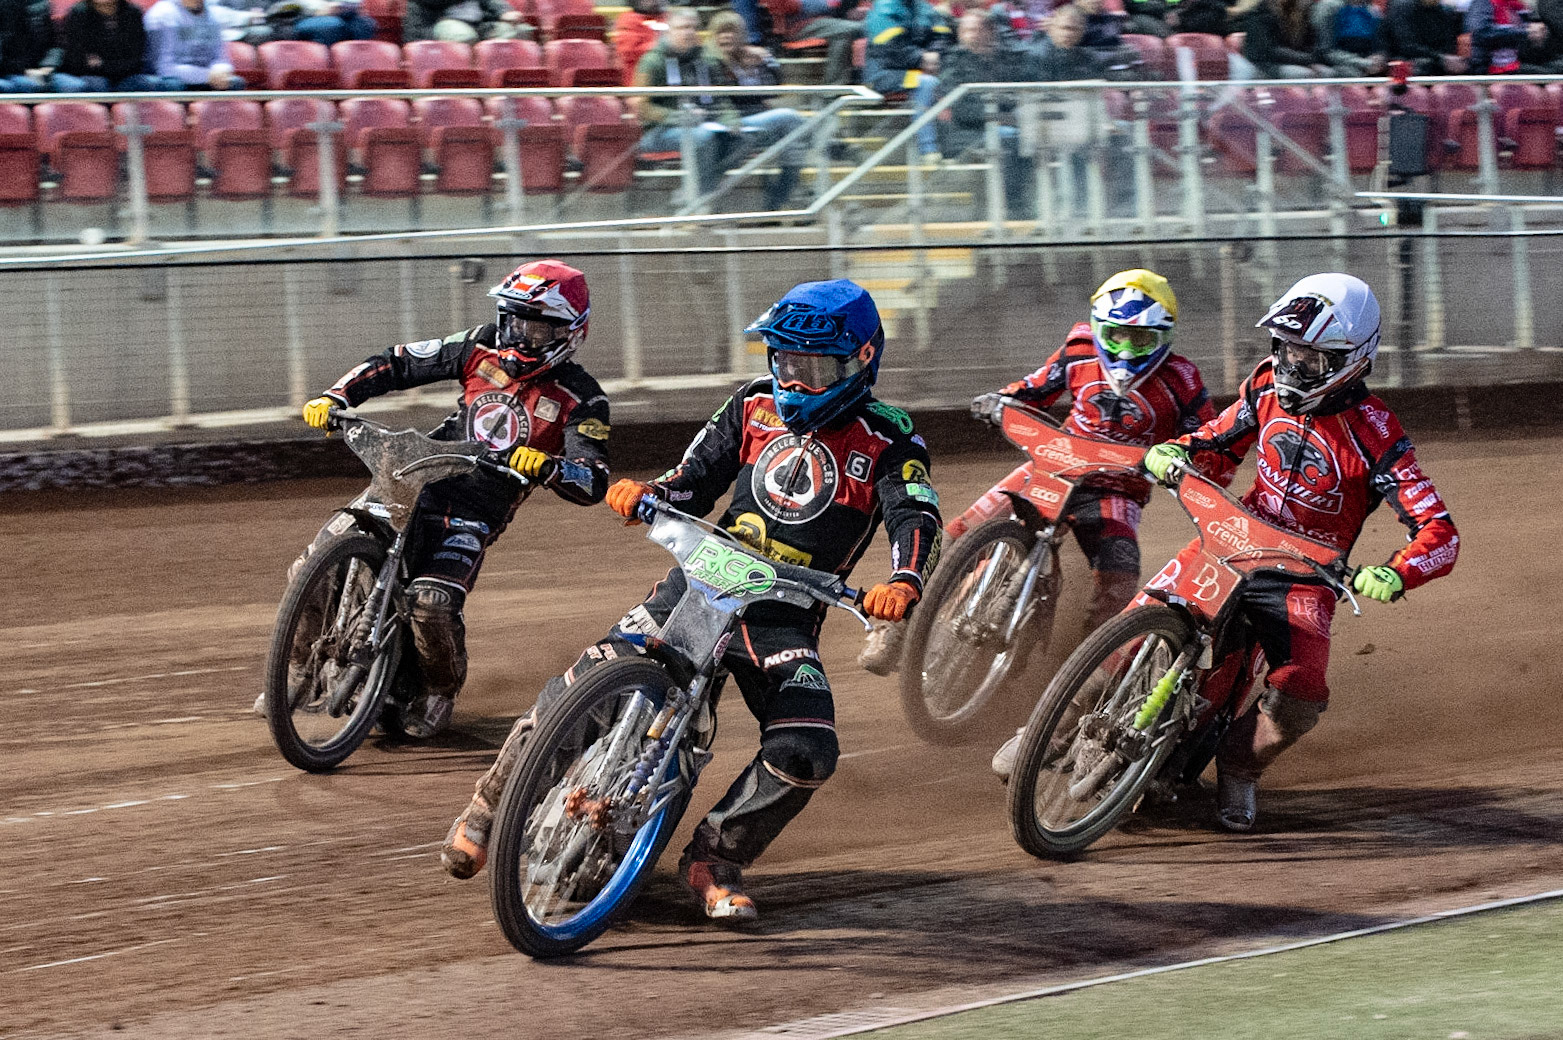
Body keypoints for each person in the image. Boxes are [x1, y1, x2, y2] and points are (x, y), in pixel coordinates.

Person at [442, 279, 943, 925]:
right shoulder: (753, 404)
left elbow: (914, 512)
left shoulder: (890, 436)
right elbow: (694, 478)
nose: (796, 377)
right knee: (582, 682)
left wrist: (903, 580)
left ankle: (714, 860)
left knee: (807, 749)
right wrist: (649, 493)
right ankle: (487, 810)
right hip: (700, 579)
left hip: (784, 613)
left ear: (861, 361)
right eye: (786, 361)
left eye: (815, 367)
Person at [1141, 273, 1459, 832]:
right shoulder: (1265, 384)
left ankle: (1239, 766)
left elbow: (1440, 531)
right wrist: (1176, 450)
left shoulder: (1377, 434)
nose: (1291, 366)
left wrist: (1396, 572)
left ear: (1353, 361)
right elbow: (1218, 436)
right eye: (1286, 349)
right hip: (1235, 537)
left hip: (1307, 574)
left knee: (1301, 697)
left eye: (1309, 358)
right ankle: (1056, 724)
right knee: (1139, 620)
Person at [280, 261, 611, 740]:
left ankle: (437, 692)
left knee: (431, 602)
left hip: (474, 510)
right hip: (413, 476)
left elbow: (593, 480)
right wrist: (336, 396)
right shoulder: (479, 347)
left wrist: (549, 466)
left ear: (567, 331)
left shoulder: (584, 399)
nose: (518, 334)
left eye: (533, 325)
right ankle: (296, 670)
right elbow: (399, 362)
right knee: (315, 564)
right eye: (513, 319)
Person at [861, 270, 1230, 698]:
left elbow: (1207, 439)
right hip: (1055, 461)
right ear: (1096, 328)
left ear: (1165, 338)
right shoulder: (1078, 348)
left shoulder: (1182, 380)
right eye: (1115, 335)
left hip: (1120, 486)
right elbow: (1038, 386)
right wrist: (1004, 399)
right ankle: (896, 624)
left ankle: (1080, 683)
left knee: (1119, 581)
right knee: (959, 531)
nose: (1126, 351)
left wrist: (1193, 470)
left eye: (1142, 340)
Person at [939, 11, 1039, 218]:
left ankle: (1029, 204)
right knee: (1011, 138)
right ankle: (1012, 206)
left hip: (1008, 128)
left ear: (990, 32)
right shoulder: (953, 62)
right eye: (966, 30)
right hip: (967, 135)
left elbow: (1018, 95)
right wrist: (999, 116)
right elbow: (962, 109)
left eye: (976, 29)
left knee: (1032, 137)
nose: (971, 35)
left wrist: (1006, 111)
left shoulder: (1007, 59)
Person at [633, 7, 738, 201]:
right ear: (669, 30)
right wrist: (677, 117)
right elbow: (640, 106)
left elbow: (721, 98)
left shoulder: (706, 59)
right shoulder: (651, 61)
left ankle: (696, 193)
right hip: (658, 131)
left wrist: (730, 118)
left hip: (705, 123)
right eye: (683, 27)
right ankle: (701, 202)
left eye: (693, 27)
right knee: (704, 137)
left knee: (744, 137)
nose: (689, 32)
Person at [708, 9, 807, 211]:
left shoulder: (750, 57)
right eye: (721, 32)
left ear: (741, 36)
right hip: (728, 124)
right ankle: (835, 146)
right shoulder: (710, 62)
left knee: (794, 143)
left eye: (732, 32)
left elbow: (775, 87)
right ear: (713, 36)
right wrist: (743, 72)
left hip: (758, 120)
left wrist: (767, 60)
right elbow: (732, 99)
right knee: (789, 119)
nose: (726, 36)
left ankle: (776, 201)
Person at [863, 0, 952, 159]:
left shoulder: (924, 8)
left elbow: (943, 36)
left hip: (921, 69)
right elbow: (890, 49)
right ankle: (928, 150)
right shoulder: (882, 9)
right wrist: (922, 58)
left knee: (950, 77)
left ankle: (954, 145)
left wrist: (935, 54)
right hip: (884, 74)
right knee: (926, 82)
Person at [49, 0, 182, 92]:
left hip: (128, 78)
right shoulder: (78, 13)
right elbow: (77, 62)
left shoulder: (133, 13)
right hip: (90, 78)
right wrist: (116, 62)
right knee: (96, 86)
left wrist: (102, 64)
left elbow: (136, 60)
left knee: (168, 85)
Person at [756, 0, 865, 85]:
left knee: (843, 37)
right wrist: (828, 3)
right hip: (797, 27)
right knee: (860, 28)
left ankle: (832, 91)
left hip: (829, 23)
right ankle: (833, 88)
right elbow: (793, 6)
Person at [144, 0, 244, 88]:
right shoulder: (162, 14)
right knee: (171, 85)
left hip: (207, 77)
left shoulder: (213, 15)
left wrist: (221, 70)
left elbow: (221, 57)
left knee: (235, 82)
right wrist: (207, 76)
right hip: (171, 79)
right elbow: (164, 68)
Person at [1230, 0, 1325, 78]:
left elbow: (1309, 43)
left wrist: (1311, 59)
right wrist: (1306, 59)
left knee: (1327, 72)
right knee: (1304, 74)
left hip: (1292, 60)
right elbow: (1270, 51)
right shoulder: (1260, 13)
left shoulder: (1299, 12)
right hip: (1263, 65)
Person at [1383, 0, 1465, 74]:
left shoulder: (1445, 11)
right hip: (1407, 67)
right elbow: (1406, 46)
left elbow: (1448, 44)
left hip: (1437, 67)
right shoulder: (1401, 7)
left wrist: (1448, 60)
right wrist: (1440, 58)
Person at [1311, 0, 1387, 75]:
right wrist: (1362, 62)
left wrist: (1380, 57)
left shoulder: (1373, 10)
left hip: (1371, 65)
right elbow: (1325, 51)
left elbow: (1381, 44)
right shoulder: (1330, 7)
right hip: (1339, 65)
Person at [402, 0, 526, 42]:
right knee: (463, 35)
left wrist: (504, 12)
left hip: (477, 25)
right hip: (437, 25)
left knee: (520, 31)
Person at [0, 0, 48, 92]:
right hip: (9, 68)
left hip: (21, 69)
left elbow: (51, 42)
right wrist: (23, 70)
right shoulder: (6, 6)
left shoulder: (39, 5)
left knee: (31, 85)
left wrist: (47, 67)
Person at [614, 0, 666, 84]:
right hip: (638, 80)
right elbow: (628, 52)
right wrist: (662, 46)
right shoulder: (628, 19)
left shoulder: (668, 18)